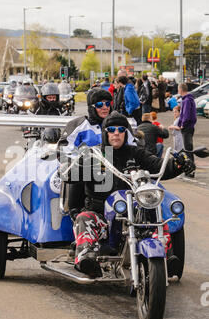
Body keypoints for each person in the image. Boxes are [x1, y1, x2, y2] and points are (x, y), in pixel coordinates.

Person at [68, 111, 195, 278]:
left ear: (125, 132)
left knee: (157, 218)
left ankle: (166, 256)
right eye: (111, 129)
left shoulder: (136, 153)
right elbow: (72, 177)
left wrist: (179, 165)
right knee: (84, 218)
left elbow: (157, 165)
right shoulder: (93, 154)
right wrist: (74, 168)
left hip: (135, 213)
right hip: (101, 215)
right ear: (105, 132)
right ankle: (86, 259)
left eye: (121, 129)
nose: (116, 133)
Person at [178, 82, 197, 178]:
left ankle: (190, 170)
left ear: (181, 90)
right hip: (189, 126)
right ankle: (190, 169)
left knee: (188, 149)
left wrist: (182, 124)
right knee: (188, 148)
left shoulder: (186, 101)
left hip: (187, 127)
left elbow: (186, 114)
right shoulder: (189, 99)